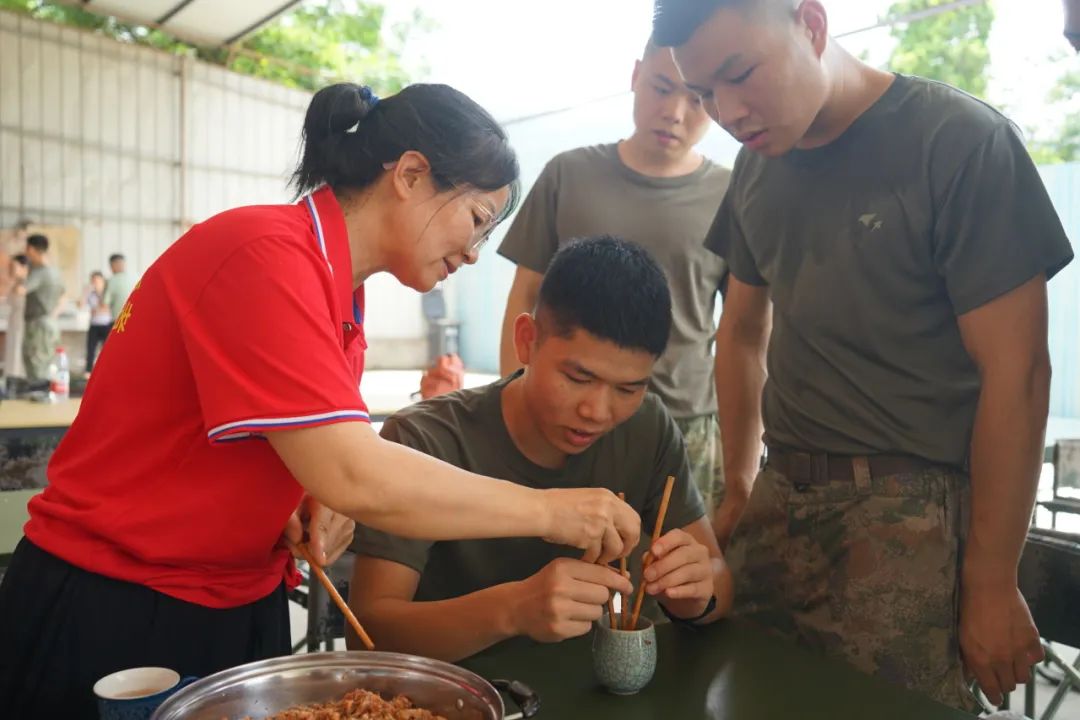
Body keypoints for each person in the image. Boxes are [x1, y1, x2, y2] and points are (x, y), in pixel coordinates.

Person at [0, 83, 640, 719]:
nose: (474, 254)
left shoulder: (339, 295)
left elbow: (301, 456)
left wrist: (302, 491)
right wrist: (549, 511)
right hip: (119, 605)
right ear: (411, 174)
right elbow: (357, 471)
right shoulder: (264, 255)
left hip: (237, 601)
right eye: (476, 218)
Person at [652, 0, 1073, 710]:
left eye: (738, 74)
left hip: (911, 518)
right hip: (781, 501)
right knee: (750, 695)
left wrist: (993, 580)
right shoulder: (757, 169)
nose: (725, 110)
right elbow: (743, 332)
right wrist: (741, 485)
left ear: (810, 25)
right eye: (701, 93)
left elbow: (1020, 374)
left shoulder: (957, 142)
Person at [349, 237, 732, 662]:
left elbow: (719, 581)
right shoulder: (425, 440)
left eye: (629, 388)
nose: (597, 412)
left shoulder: (648, 427)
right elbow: (368, 633)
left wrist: (696, 596)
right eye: (578, 377)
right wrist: (512, 610)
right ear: (527, 340)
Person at [497, 38, 731, 513]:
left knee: (674, 572)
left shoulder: (731, 195)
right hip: (562, 416)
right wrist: (514, 397)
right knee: (556, 565)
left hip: (687, 422)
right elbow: (525, 294)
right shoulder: (568, 174)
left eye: (697, 99)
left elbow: (743, 331)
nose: (675, 112)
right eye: (661, 88)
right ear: (634, 75)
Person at [20, 234, 66, 382]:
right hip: (48, 323)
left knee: (37, 366)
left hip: (38, 325)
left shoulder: (40, 273)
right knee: (44, 364)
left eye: (27, 249)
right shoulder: (55, 271)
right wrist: (53, 315)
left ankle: (40, 396)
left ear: (32, 249)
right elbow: (63, 296)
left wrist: (18, 275)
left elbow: (21, 290)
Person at [4, 254, 29, 381]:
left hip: (23, 324)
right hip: (13, 323)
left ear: (24, 267)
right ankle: (11, 381)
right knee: (12, 352)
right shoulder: (16, 284)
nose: (11, 270)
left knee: (18, 354)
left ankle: (18, 382)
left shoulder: (27, 284)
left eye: (14, 266)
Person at [81, 270, 112, 374]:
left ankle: (107, 371)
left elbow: (107, 307)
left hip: (106, 324)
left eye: (97, 281)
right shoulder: (91, 294)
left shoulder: (108, 293)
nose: (95, 283)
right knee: (91, 350)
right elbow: (81, 305)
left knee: (107, 351)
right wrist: (85, 292)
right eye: (93, 281)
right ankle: (88, 371)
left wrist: (97, 309)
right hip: (94, 325)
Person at [103, 252, 134, 321]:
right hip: (134, 319)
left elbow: (105, 304)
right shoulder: (136, 277)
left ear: (112, 265)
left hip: (119, 322)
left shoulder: (111, 281)